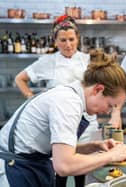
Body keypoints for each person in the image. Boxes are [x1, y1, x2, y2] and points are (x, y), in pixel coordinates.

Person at [0, 56, 126, 187]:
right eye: (110, 105)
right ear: (98, 90)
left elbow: (61, 149)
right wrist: (111, 156)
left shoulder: (71, 95)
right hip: (14, 170)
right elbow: (64, 166)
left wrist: (94, 146)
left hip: (28, 165)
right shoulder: (68, 102)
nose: (108, 112)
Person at [14, 15, 104, 187]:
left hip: (86, 124)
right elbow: (20, 79)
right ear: (55, 41)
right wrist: (31, 98)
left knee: (85, 173)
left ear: (78, 38)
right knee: (60, 171)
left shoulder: (88, 61)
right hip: (59, 124)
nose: (68, 44)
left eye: (71, 39)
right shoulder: (47, 61)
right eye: (63, 40)